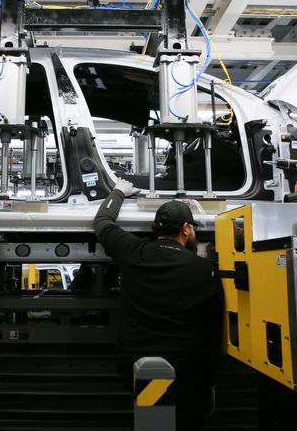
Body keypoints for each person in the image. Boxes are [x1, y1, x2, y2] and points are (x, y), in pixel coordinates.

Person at [93, 178, 223, 431]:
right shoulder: (204, 270)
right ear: (186, 229)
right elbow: (213, 332)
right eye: (193, 229)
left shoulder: (132, 251)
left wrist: (118, 191)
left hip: (134, 365)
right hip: (186, 370)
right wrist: (210, 384)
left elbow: (102, 223)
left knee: (154, 419)